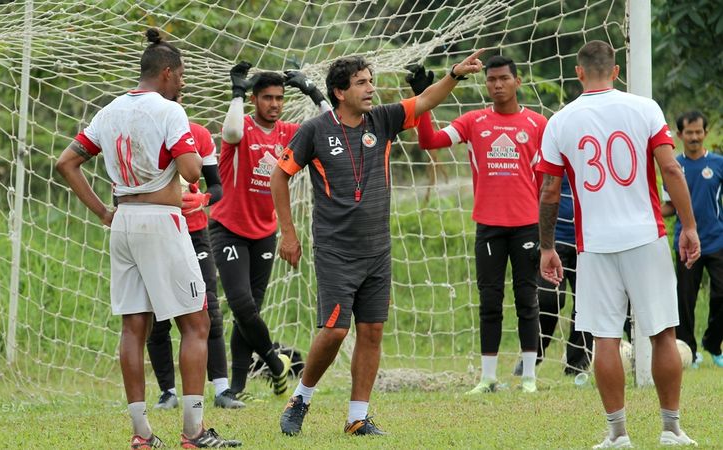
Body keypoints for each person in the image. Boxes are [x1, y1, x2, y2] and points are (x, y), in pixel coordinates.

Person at [273, 50, 484, 436]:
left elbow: (425, 100)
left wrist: (454, 74)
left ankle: (357, 418)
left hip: (377, 249)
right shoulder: (315, 131)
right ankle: (301, 397)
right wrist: (288, 233)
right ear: (339, 91)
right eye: (362, 83)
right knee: (336, 330)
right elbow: (279, 176)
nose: (371, 88)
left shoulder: (383, 119)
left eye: (371, 81)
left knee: (371, 331)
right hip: (335, 249)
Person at [55, 29, 240, 448]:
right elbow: (193, 172)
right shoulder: (169, 110)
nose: (184, 84)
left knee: (133, 326)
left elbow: (66, 162)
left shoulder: (109, 110)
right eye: (183, 76)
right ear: (168, 73)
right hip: (161, 222)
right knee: (197, 322)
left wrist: (103, 211)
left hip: (123, 223)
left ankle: (142, 435)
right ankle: (193, 432)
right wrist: (187, 144)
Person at [537, 40, 699, 448]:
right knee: (662, 332)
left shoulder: (560, 121)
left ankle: (618, 434)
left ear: (578, 72)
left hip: (594, 243)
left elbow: (549, 192)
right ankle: (670, 429)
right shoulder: (645, 108)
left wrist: (546, 247)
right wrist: (689, 227)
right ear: (616, 69)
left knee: (604, 338)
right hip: (646, 235)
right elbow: (671, 170)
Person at [414, 55, 545, 393]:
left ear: (517, 81)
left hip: (527, 225)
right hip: (488, 226)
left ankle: (529, 376)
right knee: (489, 301)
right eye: (491, 80)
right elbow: (429, 142)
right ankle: (488, 377)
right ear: (485, 83)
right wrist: (420, 104)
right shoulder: (473, 121)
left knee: (527, 299)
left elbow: (547, 181)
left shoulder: (537, 124)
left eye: (503, 78)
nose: (497, 85)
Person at [211, 63, 329, 402]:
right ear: (254, 99)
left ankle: (236, 388)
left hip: (265, 233)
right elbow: (231, 134)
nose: (274, 104)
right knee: (241, 305)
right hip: (228, 229)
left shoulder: (288, 132)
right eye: (267, 98)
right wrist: (236, 93)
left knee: (250, 313)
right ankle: (275, 364)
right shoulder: (240, 126)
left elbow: (330, 127)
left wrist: (312, 91)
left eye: (278, 98)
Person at [147, 113, 245, 410]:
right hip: (155, 233)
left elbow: (216, 187)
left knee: (208, 308)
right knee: (157, 314)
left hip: (195, 233)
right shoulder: (144, 132)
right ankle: (168, 392)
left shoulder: (199, 135)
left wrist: (202, 200)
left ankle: (222, 389)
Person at [661, 110, 723, 368]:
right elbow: (669, 207)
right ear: (680, 135)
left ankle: (712, 343)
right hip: (686, 245)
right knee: (685, 299)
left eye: (699, 132)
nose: (695, 137)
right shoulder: (674, 166)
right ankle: (689, 350)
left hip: (717, 241)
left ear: (705, 133)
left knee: (721, 295)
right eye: (690, 133)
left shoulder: (718, 164)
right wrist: (647, 209)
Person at [530, 175, 594, 375]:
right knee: (548, 300)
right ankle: (533, 353)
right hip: (553, 241)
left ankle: (577, 366)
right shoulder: (549, 149)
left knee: (585, 305)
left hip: (588, 240)